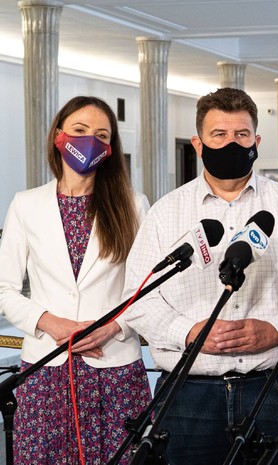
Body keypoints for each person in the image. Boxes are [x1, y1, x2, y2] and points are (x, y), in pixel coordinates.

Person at [123, 87, 278, 465]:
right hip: (190, 395)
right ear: (198, 144)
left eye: (241, 134)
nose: (231, 143)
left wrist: (276, 330)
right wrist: (190, 333)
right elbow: (138, 298)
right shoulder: (165, 212)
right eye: (219, 135)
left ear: (257, 141)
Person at [0, 96, 152, 464]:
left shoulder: (133, 205)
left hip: (115, 367)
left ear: (111, 148)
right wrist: (50, 322)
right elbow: (4, 289)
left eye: (101, 135)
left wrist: (114, 327)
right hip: (46, 368)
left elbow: (148, 289)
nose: (90, 142)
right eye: (80, 130)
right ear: (59, 136)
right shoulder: (26, 204)